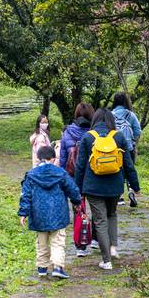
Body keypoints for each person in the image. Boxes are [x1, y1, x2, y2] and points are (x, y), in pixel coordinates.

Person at [74, 108, 140, 270]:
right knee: (112, 215)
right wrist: (135, 186)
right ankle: (113, 248)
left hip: (93, 187)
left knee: (100, 220)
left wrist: (77, 190)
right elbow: (128, 164)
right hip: (115, 186)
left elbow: (80, 166)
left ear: (95, 120)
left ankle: (106, 260)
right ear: (111, 120)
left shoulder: (88, 137)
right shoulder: (118, 137)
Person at [18, 144, 81, 280]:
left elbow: (26, 194)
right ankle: (58, 267)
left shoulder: (31, 174)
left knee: (41, 241)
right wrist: (77, 202)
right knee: (58, 240)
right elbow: (73, 189)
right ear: (53, 158)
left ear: (39, 158)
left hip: (38, 212)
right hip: (58, 212)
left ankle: (42, 268)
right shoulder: (60, 173)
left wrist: (23, 213)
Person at [59, 102, 95, 256]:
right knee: (97, 209)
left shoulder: (68, 132)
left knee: (78, 209)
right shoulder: (95, 133)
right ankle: (96, 240)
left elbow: (62, 158)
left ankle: (80, 245)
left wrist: (62, 178)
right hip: (94, 176)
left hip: (73, 176)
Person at [111, 93, 143, 207]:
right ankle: (131, 191)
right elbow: (138, 131)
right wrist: (132, 141)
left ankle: (119, 197)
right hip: (128, 147)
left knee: (117, 170)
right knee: (130, 169)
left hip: (113, 148)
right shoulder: (131, 115)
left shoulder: (110, 115)